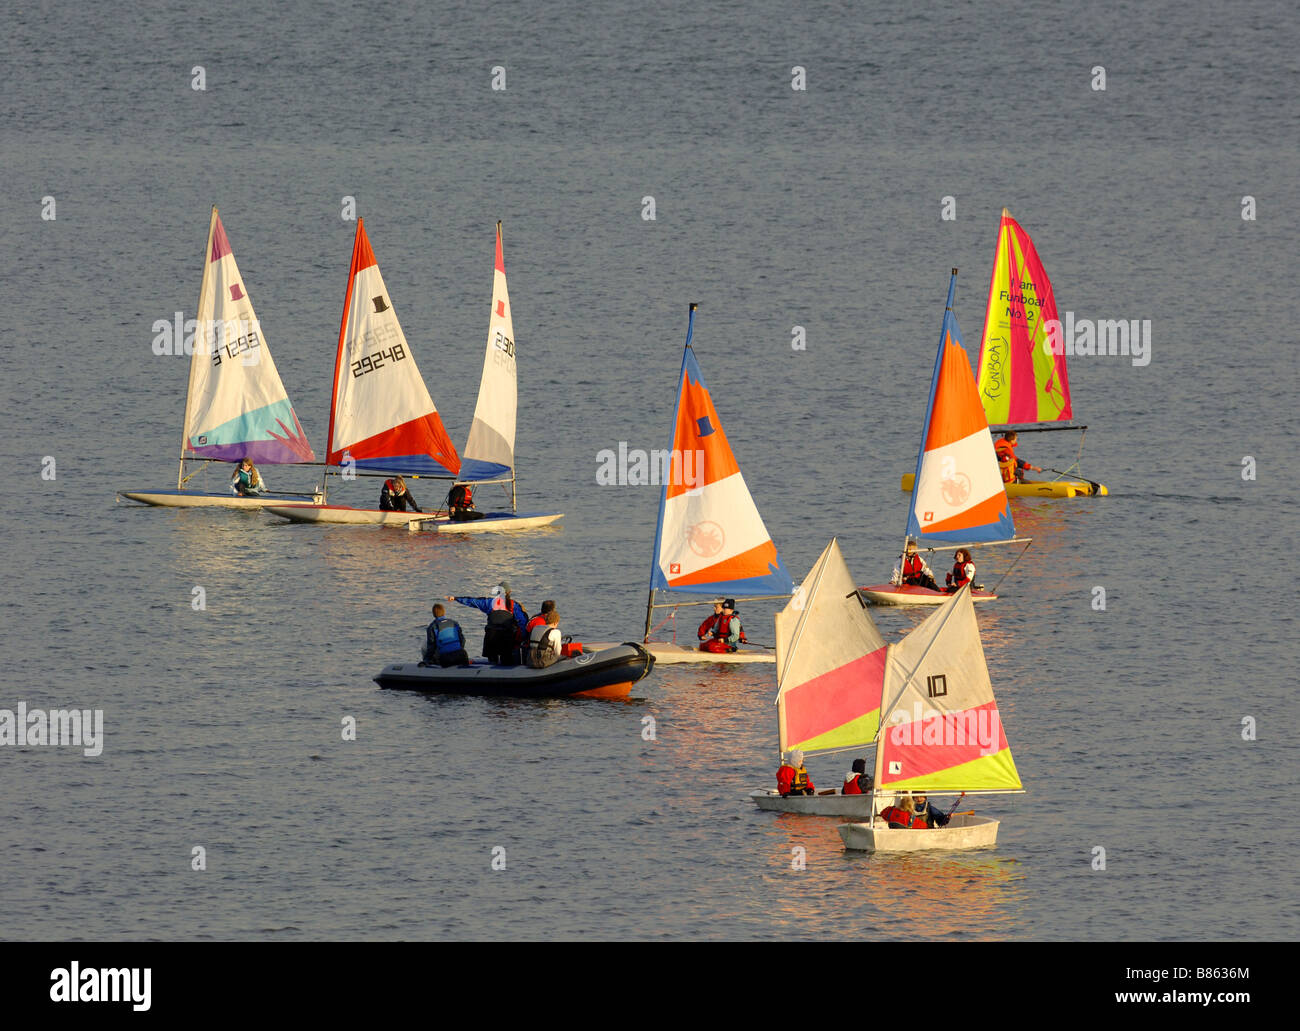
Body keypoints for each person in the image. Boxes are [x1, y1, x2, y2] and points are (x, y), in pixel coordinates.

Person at [448, 584, 529, 666]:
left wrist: (456, 598)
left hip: (491, 639)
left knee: (492, 662)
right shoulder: (514, 605)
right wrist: (523, 638)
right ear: (509, 592)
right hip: (507, 640)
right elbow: (523, 622)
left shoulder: (489, 602)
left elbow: (472, 601)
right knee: (508, 661)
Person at [423, 603, 470, 667]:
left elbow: (431, 647)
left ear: (433, 614)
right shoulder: (454, 623)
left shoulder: (432, 627)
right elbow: (463, 640)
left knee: (425, 647)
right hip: (461, 655)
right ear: (444, 612)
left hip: (446, 659)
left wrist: (426, 661)